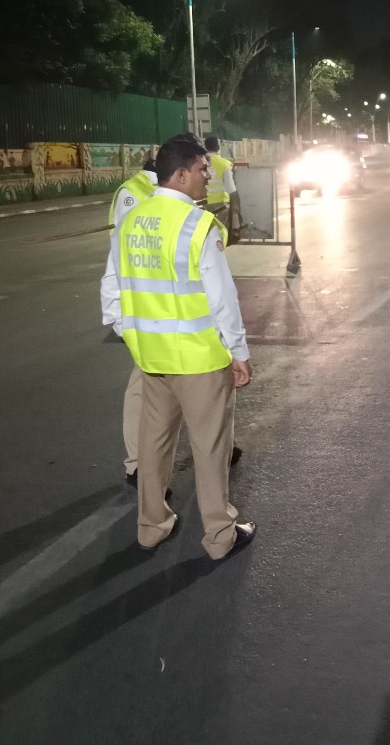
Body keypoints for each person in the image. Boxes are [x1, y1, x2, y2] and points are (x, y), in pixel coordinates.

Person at [101, 134, 255, 560]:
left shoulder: (131, 219)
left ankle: (151, 526)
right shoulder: (196, 225)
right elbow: (222, 298)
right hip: (200, 358)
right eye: (203, 169)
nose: (209, 176)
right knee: (210, 447)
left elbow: (111, 286)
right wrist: (239, 351)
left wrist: (131, 332)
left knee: (153, 444)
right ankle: (220, 535)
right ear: (182, 174)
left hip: (152, 358)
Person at [106, 155, 158, 489]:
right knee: (146, 388)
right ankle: (139, 466)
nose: (208, 173)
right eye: (202, 168)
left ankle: (140, 466)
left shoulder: (172, 201)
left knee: (156, 389)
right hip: (149, 314)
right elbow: (121, 258)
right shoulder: (134, 194)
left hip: (162, 314)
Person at [204, 135, 241, 236]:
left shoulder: (200, 163)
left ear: (205, 147)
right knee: (220, 234)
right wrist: (236, 207)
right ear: (218, 148)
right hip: (221, 206)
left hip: (203, 204)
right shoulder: (225, 164)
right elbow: (231, 188)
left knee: (206, 234)